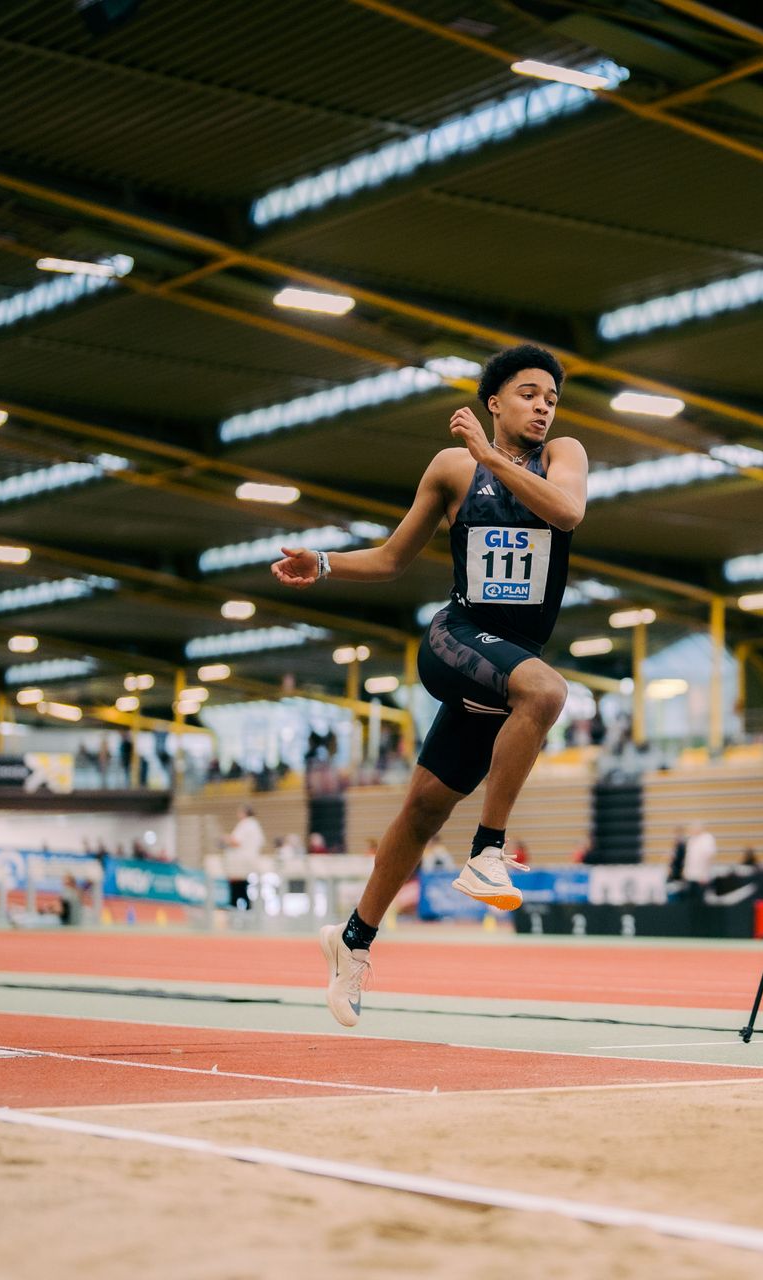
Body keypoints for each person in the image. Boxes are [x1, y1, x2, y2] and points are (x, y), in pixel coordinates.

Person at [279, 345, 587, 1027]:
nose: (543, 407)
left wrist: (494, 458)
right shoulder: (452, 468)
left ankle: (351, 943)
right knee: (546, 692)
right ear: (494, 402)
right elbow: (392, 559)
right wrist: (323, 562)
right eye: (529, 394)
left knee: (422, 809)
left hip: (505, 662)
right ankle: (487, 853)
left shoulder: (563, 456)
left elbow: (566, 515)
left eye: (551, 398)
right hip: (456, 641)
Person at [221, 804, 265, 911]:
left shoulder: (246, 824)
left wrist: (226, 839)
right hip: (248, 861)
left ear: (244, 813)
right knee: (242, 887)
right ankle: (246, 908)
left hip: (240, 861)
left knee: (237, 887)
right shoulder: (255, 825)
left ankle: (236, 907)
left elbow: (236, 842)